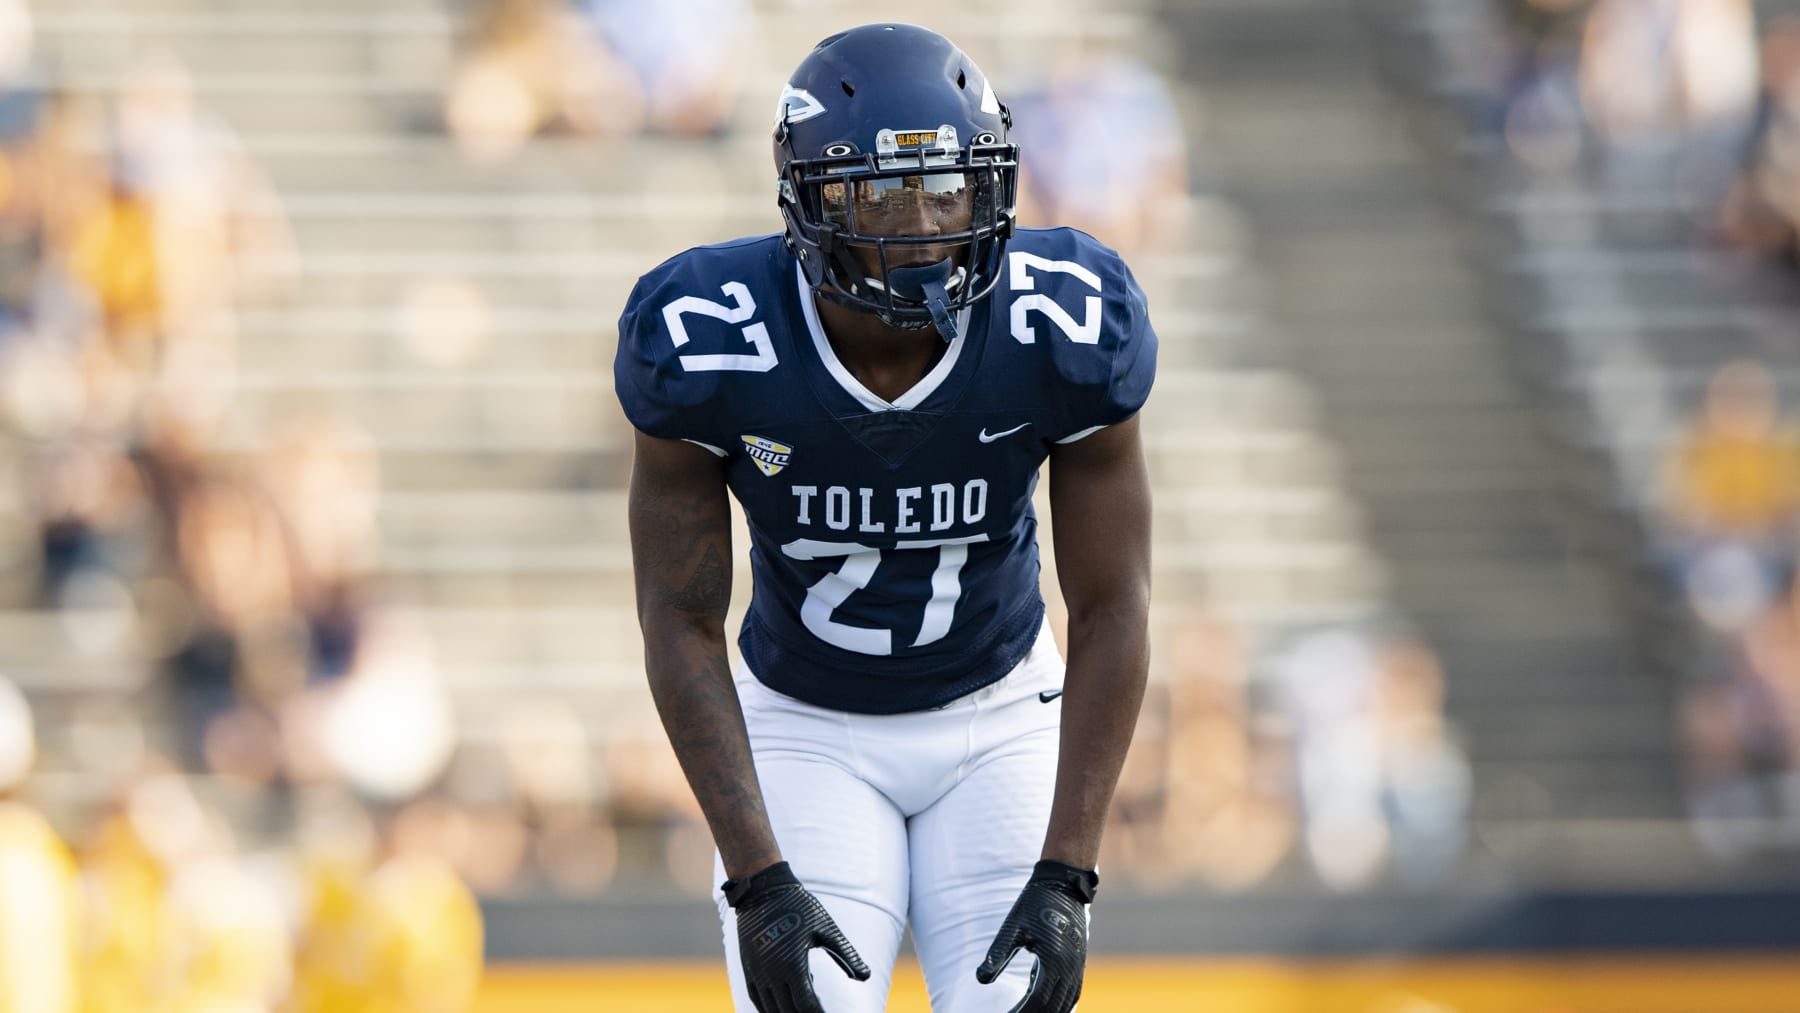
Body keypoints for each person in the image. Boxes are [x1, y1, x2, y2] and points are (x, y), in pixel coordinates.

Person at [614, 23, 1156, 1013]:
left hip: (998, 711)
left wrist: (1069, 870)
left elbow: (1116, 602)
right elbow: (679, 620)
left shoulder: (1063, 322)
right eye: (882, 194)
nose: (924, 224)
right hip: (802, 721)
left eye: (947, 187)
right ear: (809, 200)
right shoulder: (710, 334)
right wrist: (756, 878)